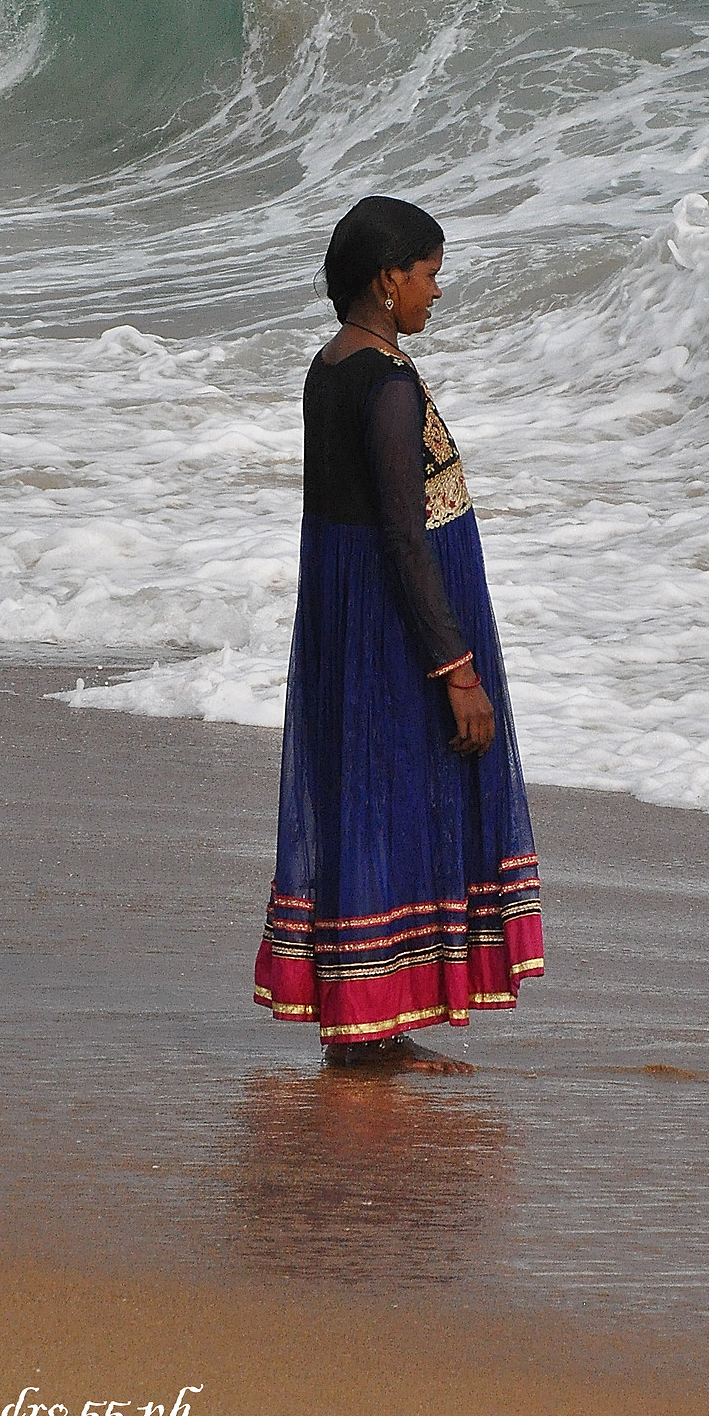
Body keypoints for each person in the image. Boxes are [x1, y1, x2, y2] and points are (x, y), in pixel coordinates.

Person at [254, 196, 543, 1072]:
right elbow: (402, 533)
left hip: (352, 615)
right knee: (396, 801)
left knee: (366, 803)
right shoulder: (386, 383)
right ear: (389, 279)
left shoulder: (328, 366)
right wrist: (455, 667)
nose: (435, 292)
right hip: (396, 627)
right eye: (429, 274)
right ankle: (370, 1033)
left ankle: (367, 1025)